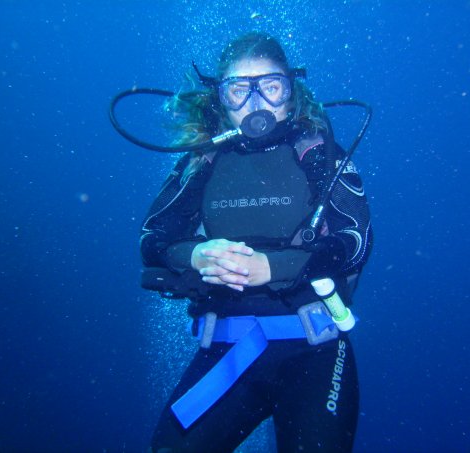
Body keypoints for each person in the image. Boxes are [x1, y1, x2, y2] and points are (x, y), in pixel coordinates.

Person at [140, 32, 373, 453]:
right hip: (227, 355)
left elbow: (357, 239)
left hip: (315, 351)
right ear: (221, 98)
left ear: (290, 90)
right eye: (238, 90)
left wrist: (273, 267)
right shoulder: (202, 159)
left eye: (270, 86)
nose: (255, 103)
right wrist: (196, 254)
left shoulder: (317, 151)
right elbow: (153, 240)